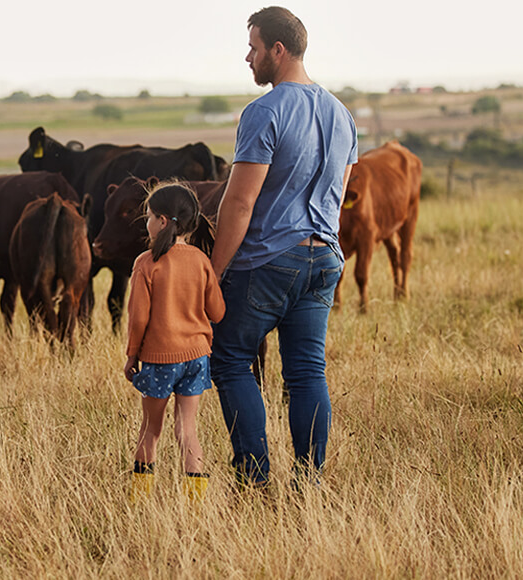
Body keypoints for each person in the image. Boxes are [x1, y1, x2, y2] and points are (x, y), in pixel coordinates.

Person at [208, 6, 357, 491]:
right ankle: (308, 483)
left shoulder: (264, 112)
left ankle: (253, 480)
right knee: (308, 370)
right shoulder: (342, 115)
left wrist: (213, 274)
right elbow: (337, 194)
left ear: (278, 49)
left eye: (253, 47)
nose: (246, 57)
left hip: (270, 260)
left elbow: (239, 203)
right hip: (325, 257)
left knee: (229, 359)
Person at [123, 184, 226, 502]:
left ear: (164, 221)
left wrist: (131, 356)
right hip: (197, 358)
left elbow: (138, 319)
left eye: (150, 216)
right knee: (187, 430)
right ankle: (195, 505)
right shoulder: (199, 260)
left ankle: (138, 501)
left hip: (159, 359)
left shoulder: (146, 263)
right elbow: (218, 313)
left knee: (150, 430)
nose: (147, 223)